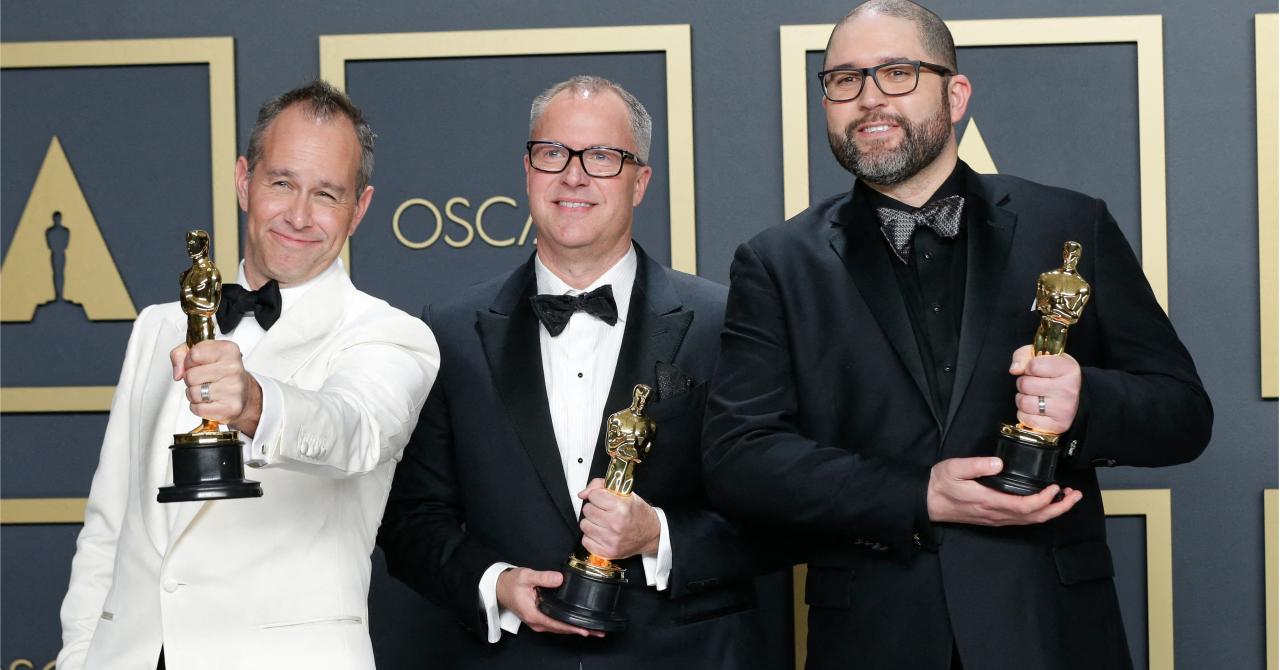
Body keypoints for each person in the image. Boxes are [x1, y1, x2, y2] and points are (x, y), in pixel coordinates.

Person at [701, 2, 1213, 669]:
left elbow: (1183, 413)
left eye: (897, 72)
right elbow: (741, 458)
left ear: (957, 93)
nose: (869, 99)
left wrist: (1084, 402)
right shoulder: (777, 261)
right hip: (875, 638)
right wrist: (919, 494)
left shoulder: (1069, 223)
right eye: (844, 80)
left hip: (1051, 630)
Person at [378, 75, 772, 670]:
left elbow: (778, 511)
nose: (574, 175)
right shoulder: (450, 331)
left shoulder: (725, 321)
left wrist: (659, 536)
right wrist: (496, 585)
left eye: (603, 157)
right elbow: (411, 521)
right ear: (528, 171)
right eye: (552, 152)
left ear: (640, 182)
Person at [56, 80, 440, 670]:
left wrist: (255, 404)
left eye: (327, 195)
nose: (299, 216)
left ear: (359, 209)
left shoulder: (390, 336)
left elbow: (354, 431)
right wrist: (84, 653)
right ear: (244, 181)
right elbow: (110, 523)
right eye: (282, 182)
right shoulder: (158, 327)